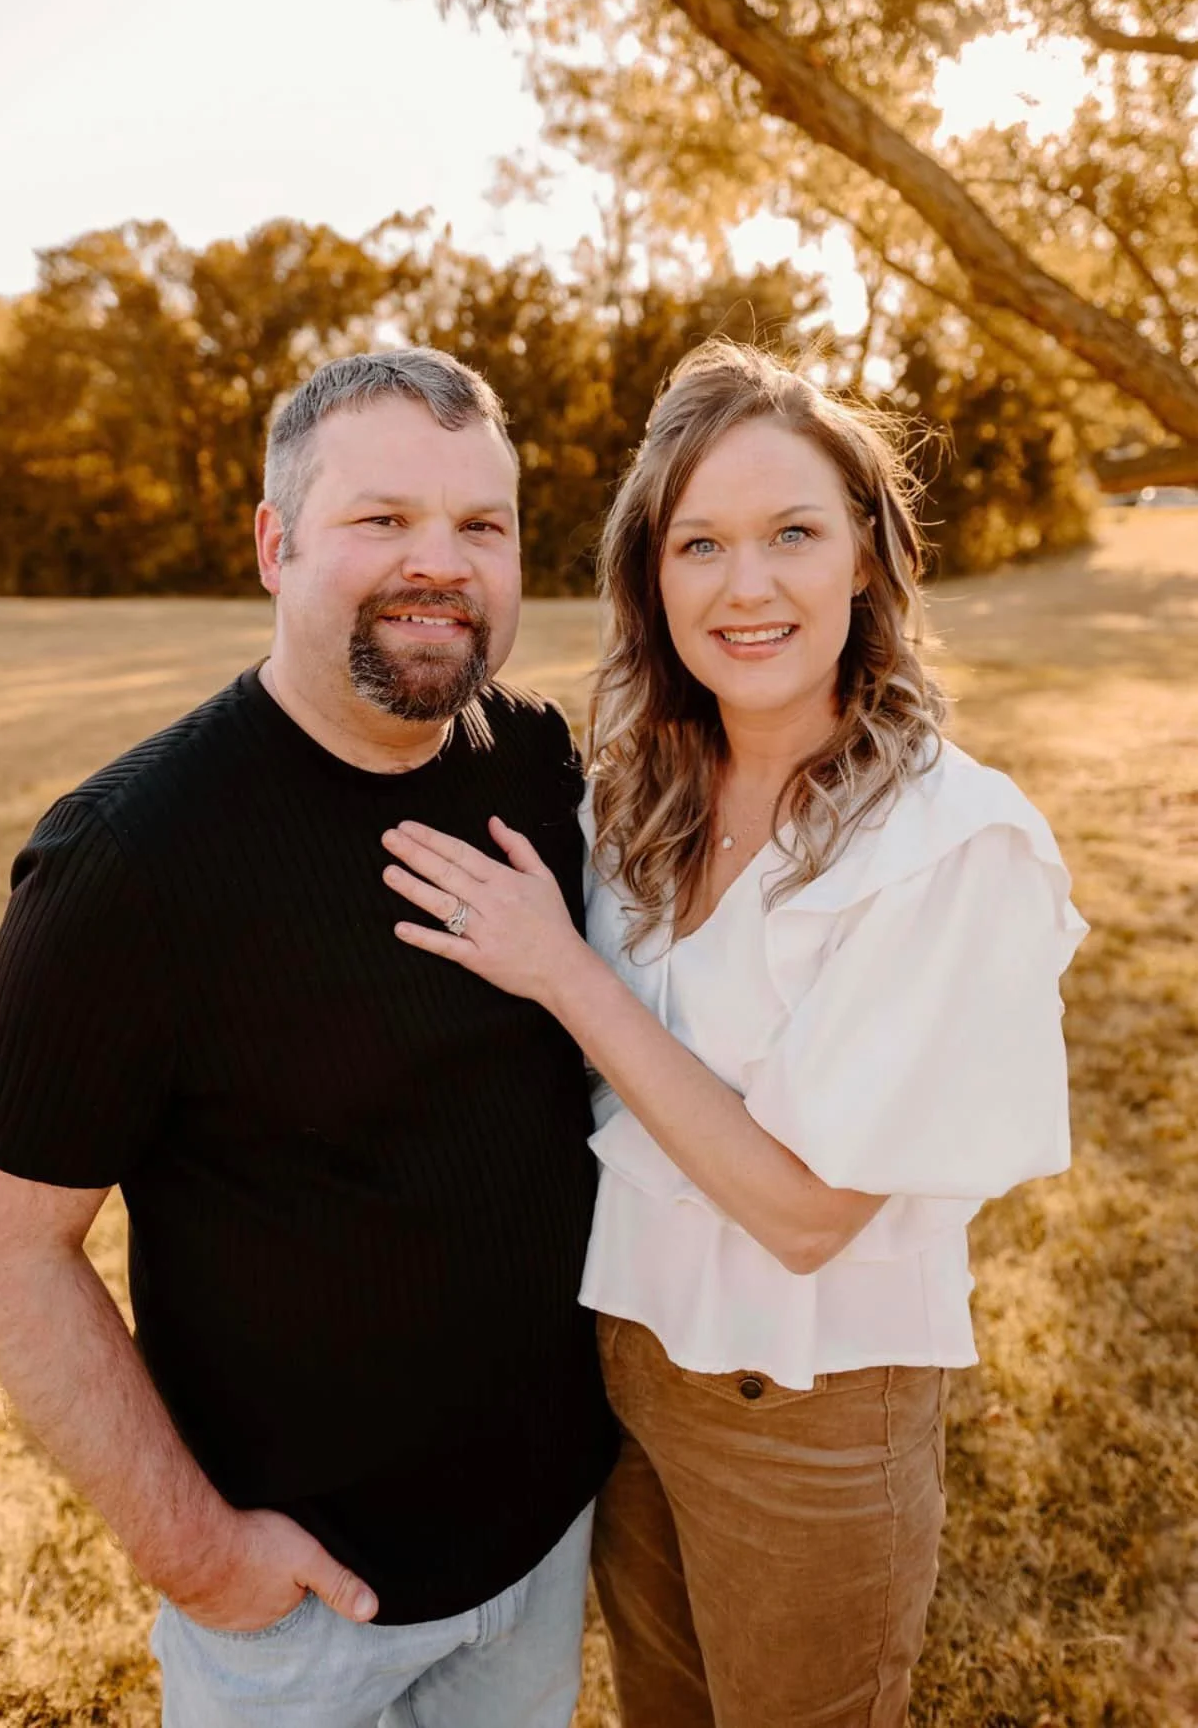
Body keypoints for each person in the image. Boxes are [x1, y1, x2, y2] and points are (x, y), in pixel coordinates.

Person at [379, 340, 1088, 1728]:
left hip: (809, 1410)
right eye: (697, 542)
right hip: (626, 1372)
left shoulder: (949, 843)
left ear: (867, 559)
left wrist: (563, 971)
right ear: (652, 575)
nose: (743, 584)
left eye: (791, 534)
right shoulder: (641, 793)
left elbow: (806, 1207)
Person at [0, 347, 617, 1728]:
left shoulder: (537, 766)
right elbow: (6, 1244)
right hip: (298, 1619)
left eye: (481, 526)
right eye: (383, 519)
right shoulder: (127, 861)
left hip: (541, 1553)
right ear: (274, 540)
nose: (441, 563)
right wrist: (198, 1550)